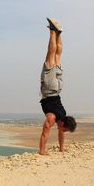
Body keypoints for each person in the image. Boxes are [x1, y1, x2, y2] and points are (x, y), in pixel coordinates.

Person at [39, 18, 77, 155]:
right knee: (51, 56)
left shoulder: (63, 115)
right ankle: (52, 31)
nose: (63, 131)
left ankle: (59, 33)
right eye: (65, 129)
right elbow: (45, 133)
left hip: (58, 87)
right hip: (50, 87)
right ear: (63, 124)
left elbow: (60, 132)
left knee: (58, 57)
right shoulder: (52, 118)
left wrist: (62, 148)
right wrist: (42, 151)